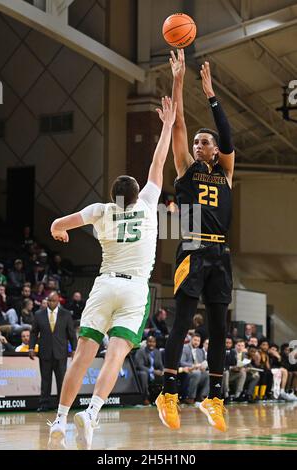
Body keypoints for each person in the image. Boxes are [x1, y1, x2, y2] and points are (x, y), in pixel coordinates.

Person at [47, 97, 177, 450]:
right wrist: (166, 125)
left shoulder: (100, 211)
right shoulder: (149, 207)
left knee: (83, 354)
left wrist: (60, 231)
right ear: (137, 195)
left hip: (104, 285)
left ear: (113, 196)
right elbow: (157, 161)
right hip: (134, 289)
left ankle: (59, 420)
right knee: (116, 353)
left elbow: (59, 223)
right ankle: (90, 414)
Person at [156, 49, 235, 433]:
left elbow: (230, 139)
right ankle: (168, 392)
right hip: (191, 248)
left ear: (216, 151)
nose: (202, 145)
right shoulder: (186, 168)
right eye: (199, 142)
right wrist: (180, 79)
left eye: (208, 142)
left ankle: (215, 398)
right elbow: (180, 125)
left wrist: (212, 95)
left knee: (220, 329)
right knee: (182, 323)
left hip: (220, 254)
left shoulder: (227, 174)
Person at [29, 291, 77, 412]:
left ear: (58, 301)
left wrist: (74, 349)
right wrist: (31, 347)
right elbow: (34, 332)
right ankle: (44, 404)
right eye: (49, 300)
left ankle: (61, 406)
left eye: (53, 300)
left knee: (61, 380)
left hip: (61, 352)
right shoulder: (39, 314)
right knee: (45, 380)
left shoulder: (65, 314)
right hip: (44, 352)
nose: (51, 303)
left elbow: (71, 334)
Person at [179, 333, 209, 403]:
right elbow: (182, 362)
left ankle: (202, 396)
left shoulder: (200, 351)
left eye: (198, 341)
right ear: (191, 340)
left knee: (207, 374)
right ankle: (190, 397)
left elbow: (201, 363)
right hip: (186, 371)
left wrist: (202, 367)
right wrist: (193, 366)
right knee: (197, 373)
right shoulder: (185, 348)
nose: (196, 342)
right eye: (195, 340)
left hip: (197, 371)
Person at [134, 335, 164, 405]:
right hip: (142, 372)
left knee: (166, 375)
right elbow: (139, 365)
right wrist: (153, 371)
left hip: (154, 374)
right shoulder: (141, 351)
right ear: (146, 342)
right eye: (150, 342)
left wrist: (162, 371)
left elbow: (160, 365)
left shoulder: (157, 352)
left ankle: (162, 398)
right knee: (144, 374)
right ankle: (145, 398)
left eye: (153, 342)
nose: (152, 344)